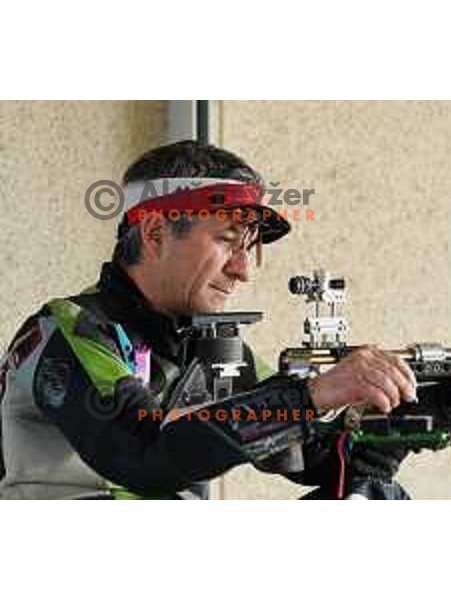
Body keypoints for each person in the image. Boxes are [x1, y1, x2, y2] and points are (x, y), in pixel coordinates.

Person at [0, 141, 416, 499]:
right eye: (227, 240)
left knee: (375, 497)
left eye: (249, 247)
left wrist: (389, 422)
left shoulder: (212, 346)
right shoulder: (70, 329)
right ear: (156, 232)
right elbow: (144, 454)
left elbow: (313, 456)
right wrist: (309, 396)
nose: (243, 269)